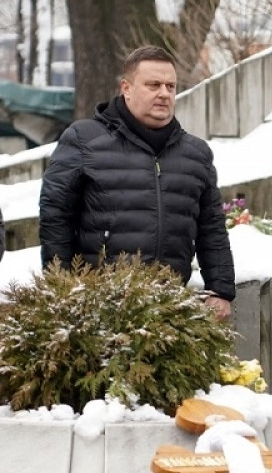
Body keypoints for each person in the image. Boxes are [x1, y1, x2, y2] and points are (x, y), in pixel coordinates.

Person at [38, 45, 234, 318]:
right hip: (99, 307)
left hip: (170, 306)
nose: (164, 94)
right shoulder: (84, 140)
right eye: (153, 85)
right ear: (126, 89)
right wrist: (60, 287)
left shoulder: (195, 154)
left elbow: (211, 226)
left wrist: (221, 289)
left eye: (170, 86)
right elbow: (55, 217)